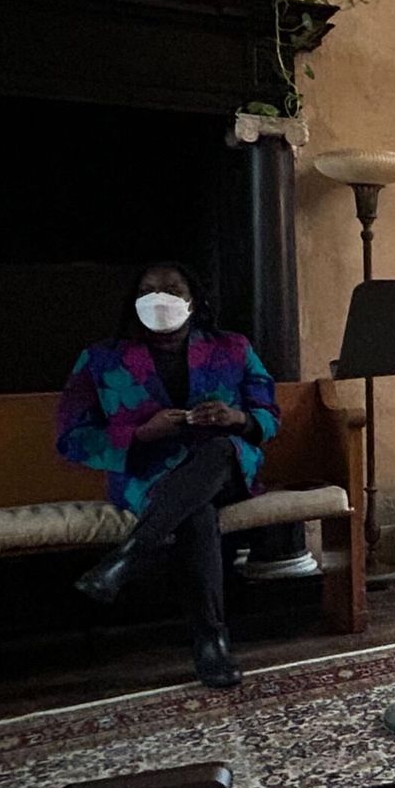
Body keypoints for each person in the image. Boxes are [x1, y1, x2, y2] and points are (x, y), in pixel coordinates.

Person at [56, 262, 281, 689]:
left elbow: (269, 414)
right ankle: (211, 641)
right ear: (135, 302)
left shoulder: (232, 347)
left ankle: (130, 557)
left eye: (173, 289)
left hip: (228, 464)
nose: (162, 297)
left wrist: (236, 418)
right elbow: (72, 436)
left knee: (216, 449)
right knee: (196, 515)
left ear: (192, 301)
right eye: (149, 289)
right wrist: (141, 433)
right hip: (149, 475)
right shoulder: (101, 359)